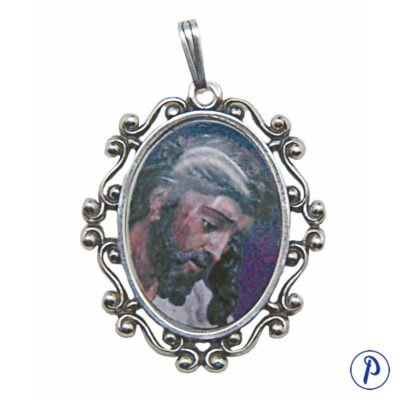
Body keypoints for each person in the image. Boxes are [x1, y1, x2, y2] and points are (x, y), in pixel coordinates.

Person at [129, 133, 273, 328]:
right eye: (210, 224)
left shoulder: (199, 307)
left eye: (231, 240)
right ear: (160, 201)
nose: (217, 253)